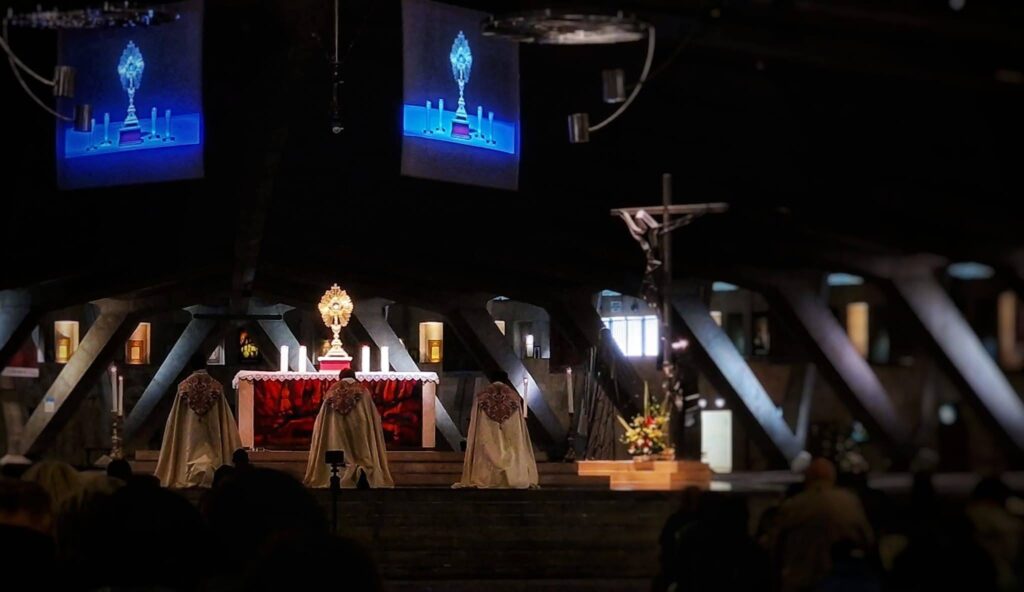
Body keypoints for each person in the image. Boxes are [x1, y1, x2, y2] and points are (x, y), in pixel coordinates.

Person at [770, 457, 875, 592]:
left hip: (802, 581)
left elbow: (775, 545)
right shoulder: (849, 503)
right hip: (841, 582)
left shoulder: (794, 506)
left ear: (807, 478)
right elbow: (867, 539)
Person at [155, 355, 242, 488]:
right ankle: (213, 475)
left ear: (191, 366)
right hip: (212, 427)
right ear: (205, 364)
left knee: (189, 447)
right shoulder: (215, 386)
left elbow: (177, 416)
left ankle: (187, 475)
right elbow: (223, 415)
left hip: (190, 429)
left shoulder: (184, 387)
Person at [303, 369, 394, 488]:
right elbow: (372, 415)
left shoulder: (332, 391)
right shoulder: (362, 390)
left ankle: (340, 474)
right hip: (359, 427)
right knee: (360, 452)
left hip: (336, 429)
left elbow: (322, 418)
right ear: (354, 377)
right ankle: (362, 471)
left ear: (340, 377)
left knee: (338, 449)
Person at [453, 380, 538, 489]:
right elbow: (517, 431)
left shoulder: (482, 398)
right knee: (512, 448)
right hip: (511, 442)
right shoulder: (514, 398)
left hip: (487, 441)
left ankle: (488, 478)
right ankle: (513, 475)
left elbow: (475, 425)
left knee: (487, 447)